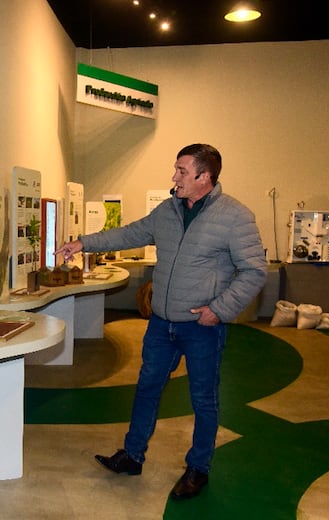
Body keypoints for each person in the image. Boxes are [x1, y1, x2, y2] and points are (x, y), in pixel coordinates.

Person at [55, 143, 266, 500]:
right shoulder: (167, 211)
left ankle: (198, 468)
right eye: (176, 169)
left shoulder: (235, 216)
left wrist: (220, 309)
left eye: (182, 171)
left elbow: (254, 270)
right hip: (161, 325)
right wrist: (82, 243)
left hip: (202, 327)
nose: (174, 177)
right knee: (146, 389)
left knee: (204, 400)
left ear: (205, 177)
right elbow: (129, 234)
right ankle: (132, 455)